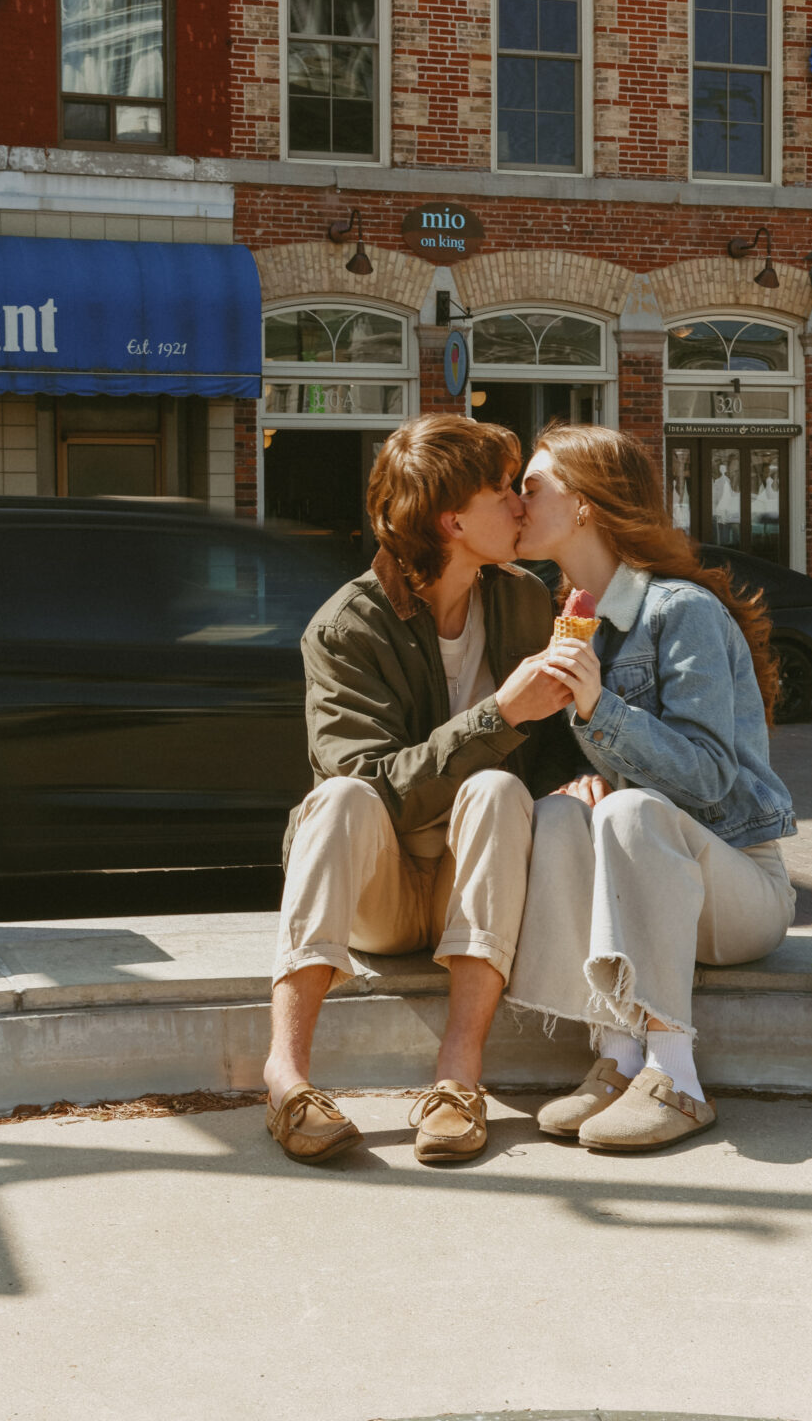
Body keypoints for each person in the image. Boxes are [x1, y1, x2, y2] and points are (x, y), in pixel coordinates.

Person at [263, 415, 577, 1167]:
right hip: (381, 890)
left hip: (471, 893)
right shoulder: (347, 628)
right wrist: (497, 715)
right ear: (451, 520)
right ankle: (285, 1078)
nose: (519, 505)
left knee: (501, 790)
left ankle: (456, 1078)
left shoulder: (525, 603)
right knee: (338, 799)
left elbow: (545, 761)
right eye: (502, 491)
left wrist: (580, 772)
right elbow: (371, 785)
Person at [507, 423, 797, 1153]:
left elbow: (706, 777)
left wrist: (601, 712)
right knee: (559, 815)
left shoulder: (680, 611)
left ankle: (678, 1078)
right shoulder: (567, 619)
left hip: (740, 891)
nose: (516, 501)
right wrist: (577, 779)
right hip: (648, 897)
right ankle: (615, 1057)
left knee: (633, 810)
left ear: (583, 506)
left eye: (530, 487)